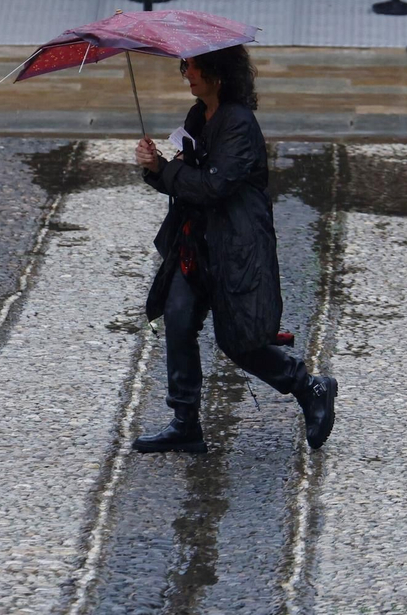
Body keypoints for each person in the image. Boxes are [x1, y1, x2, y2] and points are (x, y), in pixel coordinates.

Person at [132, 46, 337, 454]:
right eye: (185, 66)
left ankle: (309, 386)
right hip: (196, 245)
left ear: (217, 72)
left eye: (192, 67)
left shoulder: (239, 124)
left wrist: (167, 171)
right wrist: (156, 169)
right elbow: (187, 179)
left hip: (235, 247)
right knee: (177, 317)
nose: (186, 74)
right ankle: (185, 422)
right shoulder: (198, 116)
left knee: (239, 340)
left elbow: (213, 186)